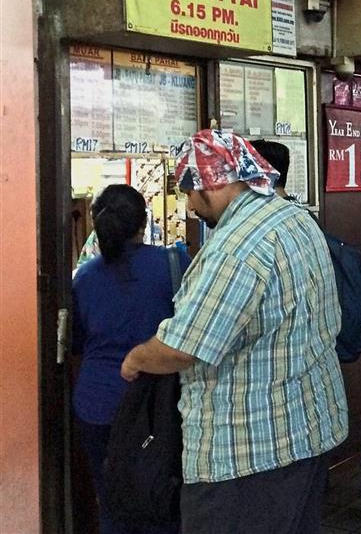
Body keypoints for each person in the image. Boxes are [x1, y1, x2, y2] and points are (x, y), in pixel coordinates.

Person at [120, 130, 347, 534]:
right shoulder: (293, 217)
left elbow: (186, 345)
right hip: (306, 431)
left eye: (190, 189)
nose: (189, 204)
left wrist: (137, 358)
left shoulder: (237, 246)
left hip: (246, 451)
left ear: (217, 181)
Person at [72, 185, 190, 534]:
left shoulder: (86, 278)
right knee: (163, 496)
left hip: (97, 405)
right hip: (158, 407)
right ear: (144, 221)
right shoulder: (174, 263)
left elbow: (78, 342)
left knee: (112, 503)